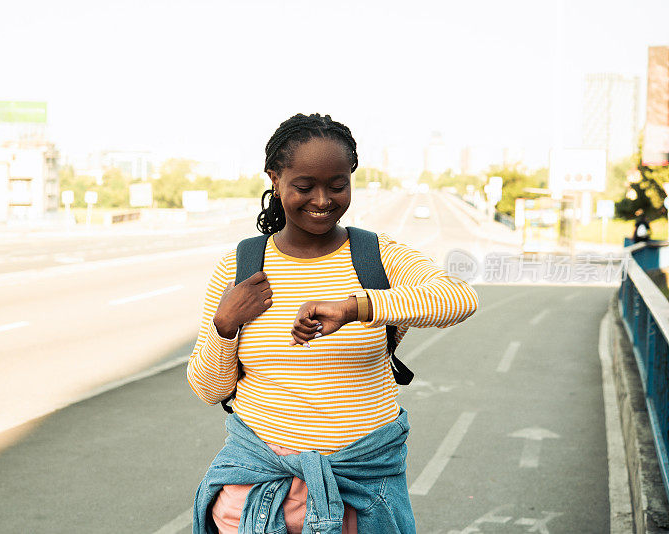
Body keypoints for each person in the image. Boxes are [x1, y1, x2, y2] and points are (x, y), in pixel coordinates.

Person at [188, 113, 479, 533]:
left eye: (338, 185)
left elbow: (460, 299)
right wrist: (225, 326)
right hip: (256, 495)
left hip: (360, 493)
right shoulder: (240, 266)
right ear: (274, 178)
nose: (323, 200)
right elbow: (207, 389)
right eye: (304, 187)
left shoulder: (377, 256)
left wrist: (354, 307)